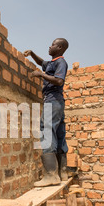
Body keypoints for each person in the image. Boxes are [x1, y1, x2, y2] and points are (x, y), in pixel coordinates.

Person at [24, 38, 69, 187]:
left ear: (60, 47)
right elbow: (41, 63)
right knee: (59, 133)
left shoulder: (61, 62)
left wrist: (41, 75)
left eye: (53, 44)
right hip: (57, 102)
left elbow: (59, 81)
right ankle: (63, 173)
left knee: (47, 131)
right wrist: (32, 54)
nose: (49, 46)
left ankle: (51, 176)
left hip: (53, 100)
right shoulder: (52, 63)